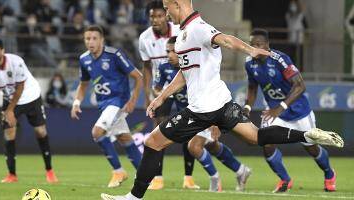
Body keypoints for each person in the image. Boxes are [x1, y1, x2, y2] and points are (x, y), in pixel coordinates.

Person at [100, 0, 343, 199]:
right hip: (222, 104)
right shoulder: (185, 34)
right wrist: (160, 97)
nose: (165, 13)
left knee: (153, 143)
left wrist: (250, 50)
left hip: (201, 109)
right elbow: (185, 74)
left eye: (166, 7)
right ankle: (308, 136)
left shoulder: (197, 27)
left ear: (177, 5)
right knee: (255, 137)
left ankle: (133, 198)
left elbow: (225, 39)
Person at [154, 36, 252, 192]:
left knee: (194, 146)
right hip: (191, 115)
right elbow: (157, 88)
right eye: (168, 51)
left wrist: (215, 123)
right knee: (212, 145)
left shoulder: (196, 69)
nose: (170, 55)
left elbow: (212, 94)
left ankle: (215, 178)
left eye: (174, 51)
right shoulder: (164, 67)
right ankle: (241, 170)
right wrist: (163, 95)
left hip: (207, 110)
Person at [244, 29, 337, 193]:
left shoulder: (280, 60)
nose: (255, 48)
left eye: (259, 45)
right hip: (274, 111)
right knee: (266, 142)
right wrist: (247, 107)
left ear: (267, 45)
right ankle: (285, 180)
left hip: (298, 110)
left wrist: (281, 108)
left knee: (311, 147)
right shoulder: (249, 63)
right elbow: (252, 88)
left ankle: (329, 173)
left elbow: (300, 85)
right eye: (252, 45)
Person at [71, 25, 143, 188]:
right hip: (104, 104)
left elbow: (138, 76)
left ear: (102, 40)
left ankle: (118, 171)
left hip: (118, 101)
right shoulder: (84, 59)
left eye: (94, 38)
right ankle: (146, 175)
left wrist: (133, 100)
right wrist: (76, 103)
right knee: (124, 137)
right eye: (87, 38)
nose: (91, 42)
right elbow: (83, 85)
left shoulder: (114, 55)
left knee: (97, 132)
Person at [138, 0, 197, 190]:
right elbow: (146, 67)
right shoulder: (144, 39)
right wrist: (148, 94)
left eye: (159, 15)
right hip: (161, 89)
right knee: (159, 130)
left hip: (182, 85)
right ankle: (158, 177)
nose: (155, 20)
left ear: (166, 14)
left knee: (188, 127)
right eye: (152, 17)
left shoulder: (181, 30)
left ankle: (188, 178)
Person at [0, 37, 58, 183]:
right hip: (9, 98)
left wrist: (10, 110)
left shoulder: (15, 62)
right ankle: (12, 175)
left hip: (30, 96)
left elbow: (20, 87)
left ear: (2, 51)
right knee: (9, 133)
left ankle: (49, 171)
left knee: (40, 131)